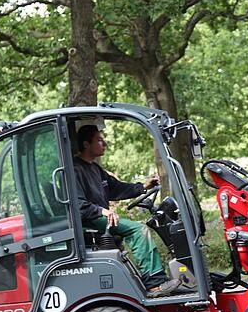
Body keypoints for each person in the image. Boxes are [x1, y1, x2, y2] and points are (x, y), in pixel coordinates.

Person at [73, 121, 182, 296]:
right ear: (86, 144)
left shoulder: (95, 169)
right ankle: (154, 284)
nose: (105, 143)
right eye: (99, 140)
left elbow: (116, 188)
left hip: (99, 218)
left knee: (136, 228)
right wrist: (103, 211)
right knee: (139, 230)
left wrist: (144, 186)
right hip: (89, 220)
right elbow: (78, 205)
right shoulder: (74, 169)